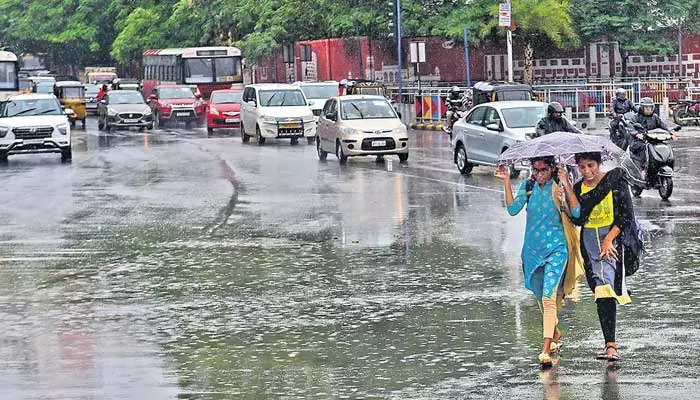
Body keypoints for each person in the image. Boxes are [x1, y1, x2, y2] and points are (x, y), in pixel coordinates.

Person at [495, 156, 583, 368]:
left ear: (552, 168)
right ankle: (554, 331)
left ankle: (545, 348)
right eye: (535, 170)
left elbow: (577, 213)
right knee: (538, 294)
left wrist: (565, 194)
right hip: (532, 251)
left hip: (557, 250)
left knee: (548, 298)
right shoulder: (528, 185)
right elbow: (512, 209)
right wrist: (507, 180)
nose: (539, 174)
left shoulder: (559, 185)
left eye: (543, 170)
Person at [569, 152, 643, 362]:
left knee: (605, 289)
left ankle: (611, 345)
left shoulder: (616, 181)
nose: (587, 171)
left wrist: (609, 240)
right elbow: (577, 218)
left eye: (591, 165)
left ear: (599, 163)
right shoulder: (577, 188)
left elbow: (625, 216)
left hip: (611, 242)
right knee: (600, 290)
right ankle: (608, 344)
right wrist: (565, 186)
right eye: (582, 167)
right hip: (588, 244)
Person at [628, 97, 678, 174]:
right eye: (646, 107)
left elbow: (663, 125)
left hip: (653, 139)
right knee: (642, 148)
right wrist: (637, 134)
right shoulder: (636, 117)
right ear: (642, 108)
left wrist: (671, 133)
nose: (648, 109)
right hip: (639, 140)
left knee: (664, 146)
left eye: (650, 107)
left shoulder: (655, 117)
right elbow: (630, 127)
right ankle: (643, 168)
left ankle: (664, 163)